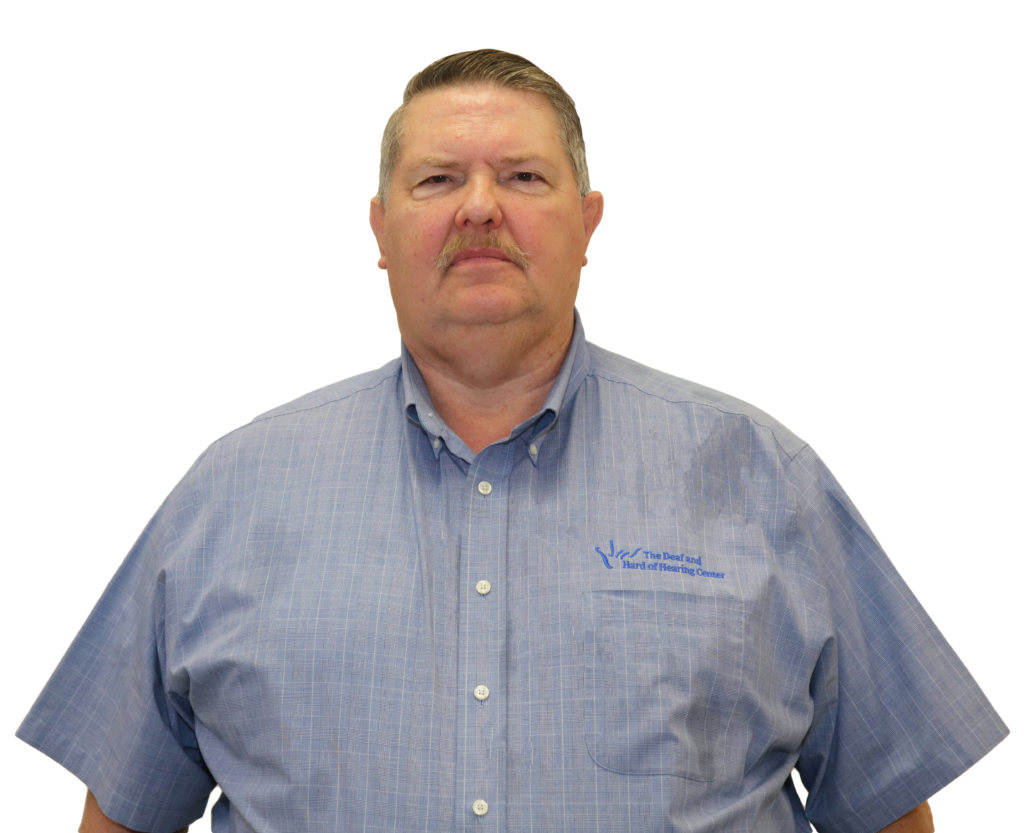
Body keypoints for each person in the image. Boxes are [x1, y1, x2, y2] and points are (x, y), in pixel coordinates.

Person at [18, 49, 1007, 833]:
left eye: (523, 176)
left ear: (586, 222)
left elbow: (883, 804)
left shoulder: (761, 476)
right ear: (378, 227)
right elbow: (124, 812)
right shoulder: (229, 493)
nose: (480, 206)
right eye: (438, 177)